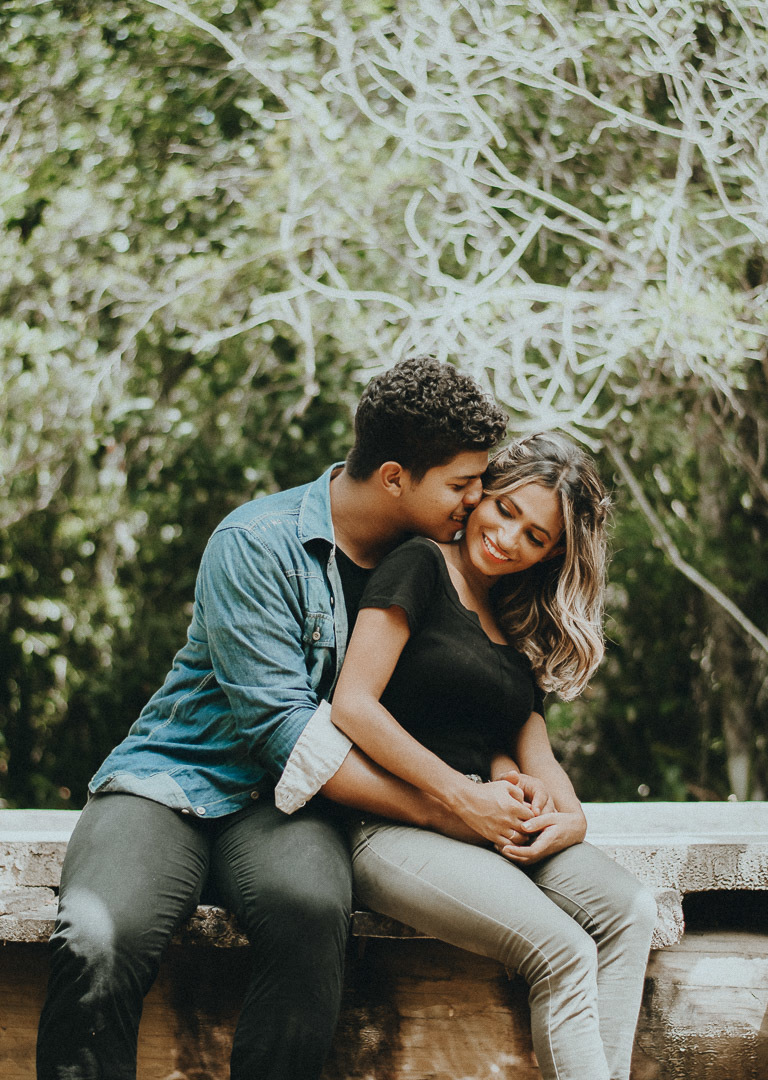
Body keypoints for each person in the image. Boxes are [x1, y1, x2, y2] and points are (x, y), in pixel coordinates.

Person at [36, 356, 513, 1080]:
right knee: (98, 937)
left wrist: (515, 778)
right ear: (393, 477)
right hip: (177, 778)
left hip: (289, 813)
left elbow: (493, 686)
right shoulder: (255, 542)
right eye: (461, 485)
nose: (478, 501)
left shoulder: (444, 564)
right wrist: (451, 806)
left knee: (311, 915)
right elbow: (281, 734)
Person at [329, 432, 658, 1080]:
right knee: (562, 952)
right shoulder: (419, 566)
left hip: (485, 823)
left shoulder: (513, 618)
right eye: (506, 510)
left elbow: (532, 746)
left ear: (554, 553)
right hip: (390, 826)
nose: (509, 539)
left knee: (630, 911)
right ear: (484, 492)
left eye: (535, 537)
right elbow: (353, 706)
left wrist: (572, 821)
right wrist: (463, 793)